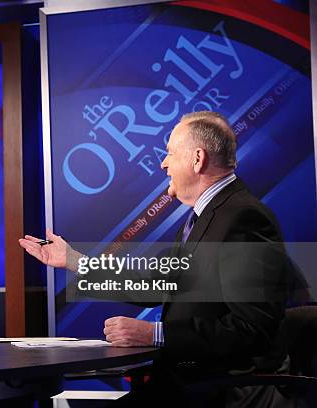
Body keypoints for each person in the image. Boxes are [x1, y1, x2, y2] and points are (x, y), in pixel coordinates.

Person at [19, 111, 291, 407]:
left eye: (171, 154)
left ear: (197, 159)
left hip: (220, 392)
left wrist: (155, 333)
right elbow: (154, 285)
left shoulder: (243, 218)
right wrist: (74, 261)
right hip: (185, 384)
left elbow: (252, 330)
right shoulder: (204, 217)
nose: (164, 163)